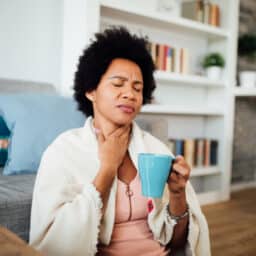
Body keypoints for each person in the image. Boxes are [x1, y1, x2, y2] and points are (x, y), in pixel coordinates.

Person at [29, 27, 211, 256]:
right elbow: (56, 242)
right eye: (118, 84)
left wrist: (177, 194)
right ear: (91, 90)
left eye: (138, 88)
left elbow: (177, 244)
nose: (130, 94)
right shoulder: (63, 151)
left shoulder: (155, 149)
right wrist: (107, 168)